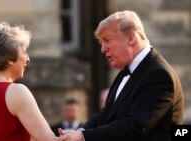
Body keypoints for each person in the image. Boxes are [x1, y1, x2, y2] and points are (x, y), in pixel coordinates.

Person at [58, 10, 184, 141]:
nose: (103, 49)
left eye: (107, 40)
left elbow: (135, 125)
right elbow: (107, 114)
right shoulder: (127, 71)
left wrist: (83, 137)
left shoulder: (158, 74)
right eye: (101, 43)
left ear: (131, 38)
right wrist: (79, 132)